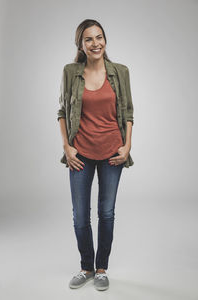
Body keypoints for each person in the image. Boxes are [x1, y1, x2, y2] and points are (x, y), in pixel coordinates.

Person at [57, 19, 134, 291]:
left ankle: (101, 269)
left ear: (105, 39)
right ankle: (86, 266)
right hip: (81, 153)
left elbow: (128, 112)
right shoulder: (70, 72)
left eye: (99, 37)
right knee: (80, 215)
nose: (95, 43)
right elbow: (63, 112)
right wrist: (67, 147)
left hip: (112, 151)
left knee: (107, 212)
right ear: (80, 44)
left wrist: (127, 147)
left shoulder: (120, 71)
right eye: (88, 39)